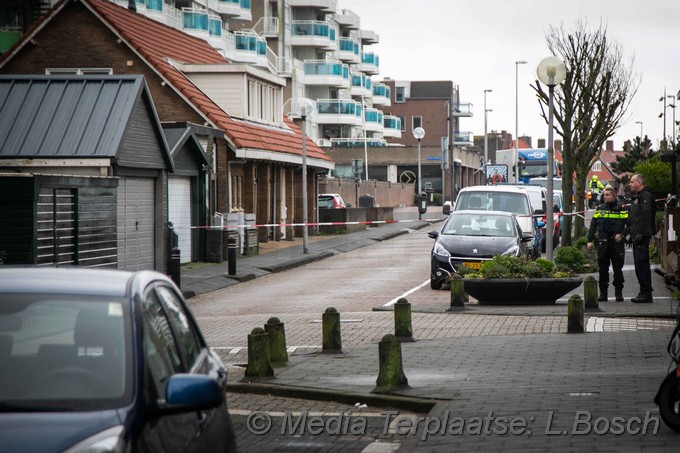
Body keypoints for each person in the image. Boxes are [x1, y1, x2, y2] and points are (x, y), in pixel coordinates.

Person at [587, 186, 628, 302]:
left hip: (616, 243)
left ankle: (618, 293)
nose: (604, 197)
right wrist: (589, 240)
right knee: (603, 269)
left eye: (607, 195)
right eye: (604, 195)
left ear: (614, 196)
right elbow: (593, 225)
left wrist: (622, 234)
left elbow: (630, 224)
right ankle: (603, 293)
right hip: (603, 242)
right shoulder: (600, 208)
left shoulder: (621, 208)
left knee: (618, 269)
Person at [627, 173, 656, 303]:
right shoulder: (637, 196)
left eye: (632, 182)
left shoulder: (645, 196)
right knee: (639, 264)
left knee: (642, 264)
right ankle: (643, 291)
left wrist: (641, 233)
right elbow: (634, 218)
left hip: (642, 236)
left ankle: (646, 293)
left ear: (639, 182)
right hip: (637, 235)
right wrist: (630, 234)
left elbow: (646, 215)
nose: (630, 184)